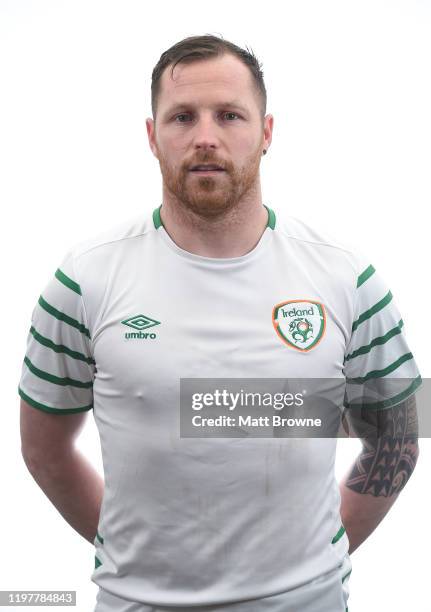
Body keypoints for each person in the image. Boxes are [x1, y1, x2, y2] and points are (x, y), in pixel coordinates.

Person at [18, 34, 422, 612]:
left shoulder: (348, 278)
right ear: (153, 137)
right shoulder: (84, 280)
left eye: (230, 115)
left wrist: (312, 563)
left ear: (266, 133)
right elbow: (45, 450)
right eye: (182, 116)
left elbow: (399, 439)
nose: (206, 136)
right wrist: (133, 558)